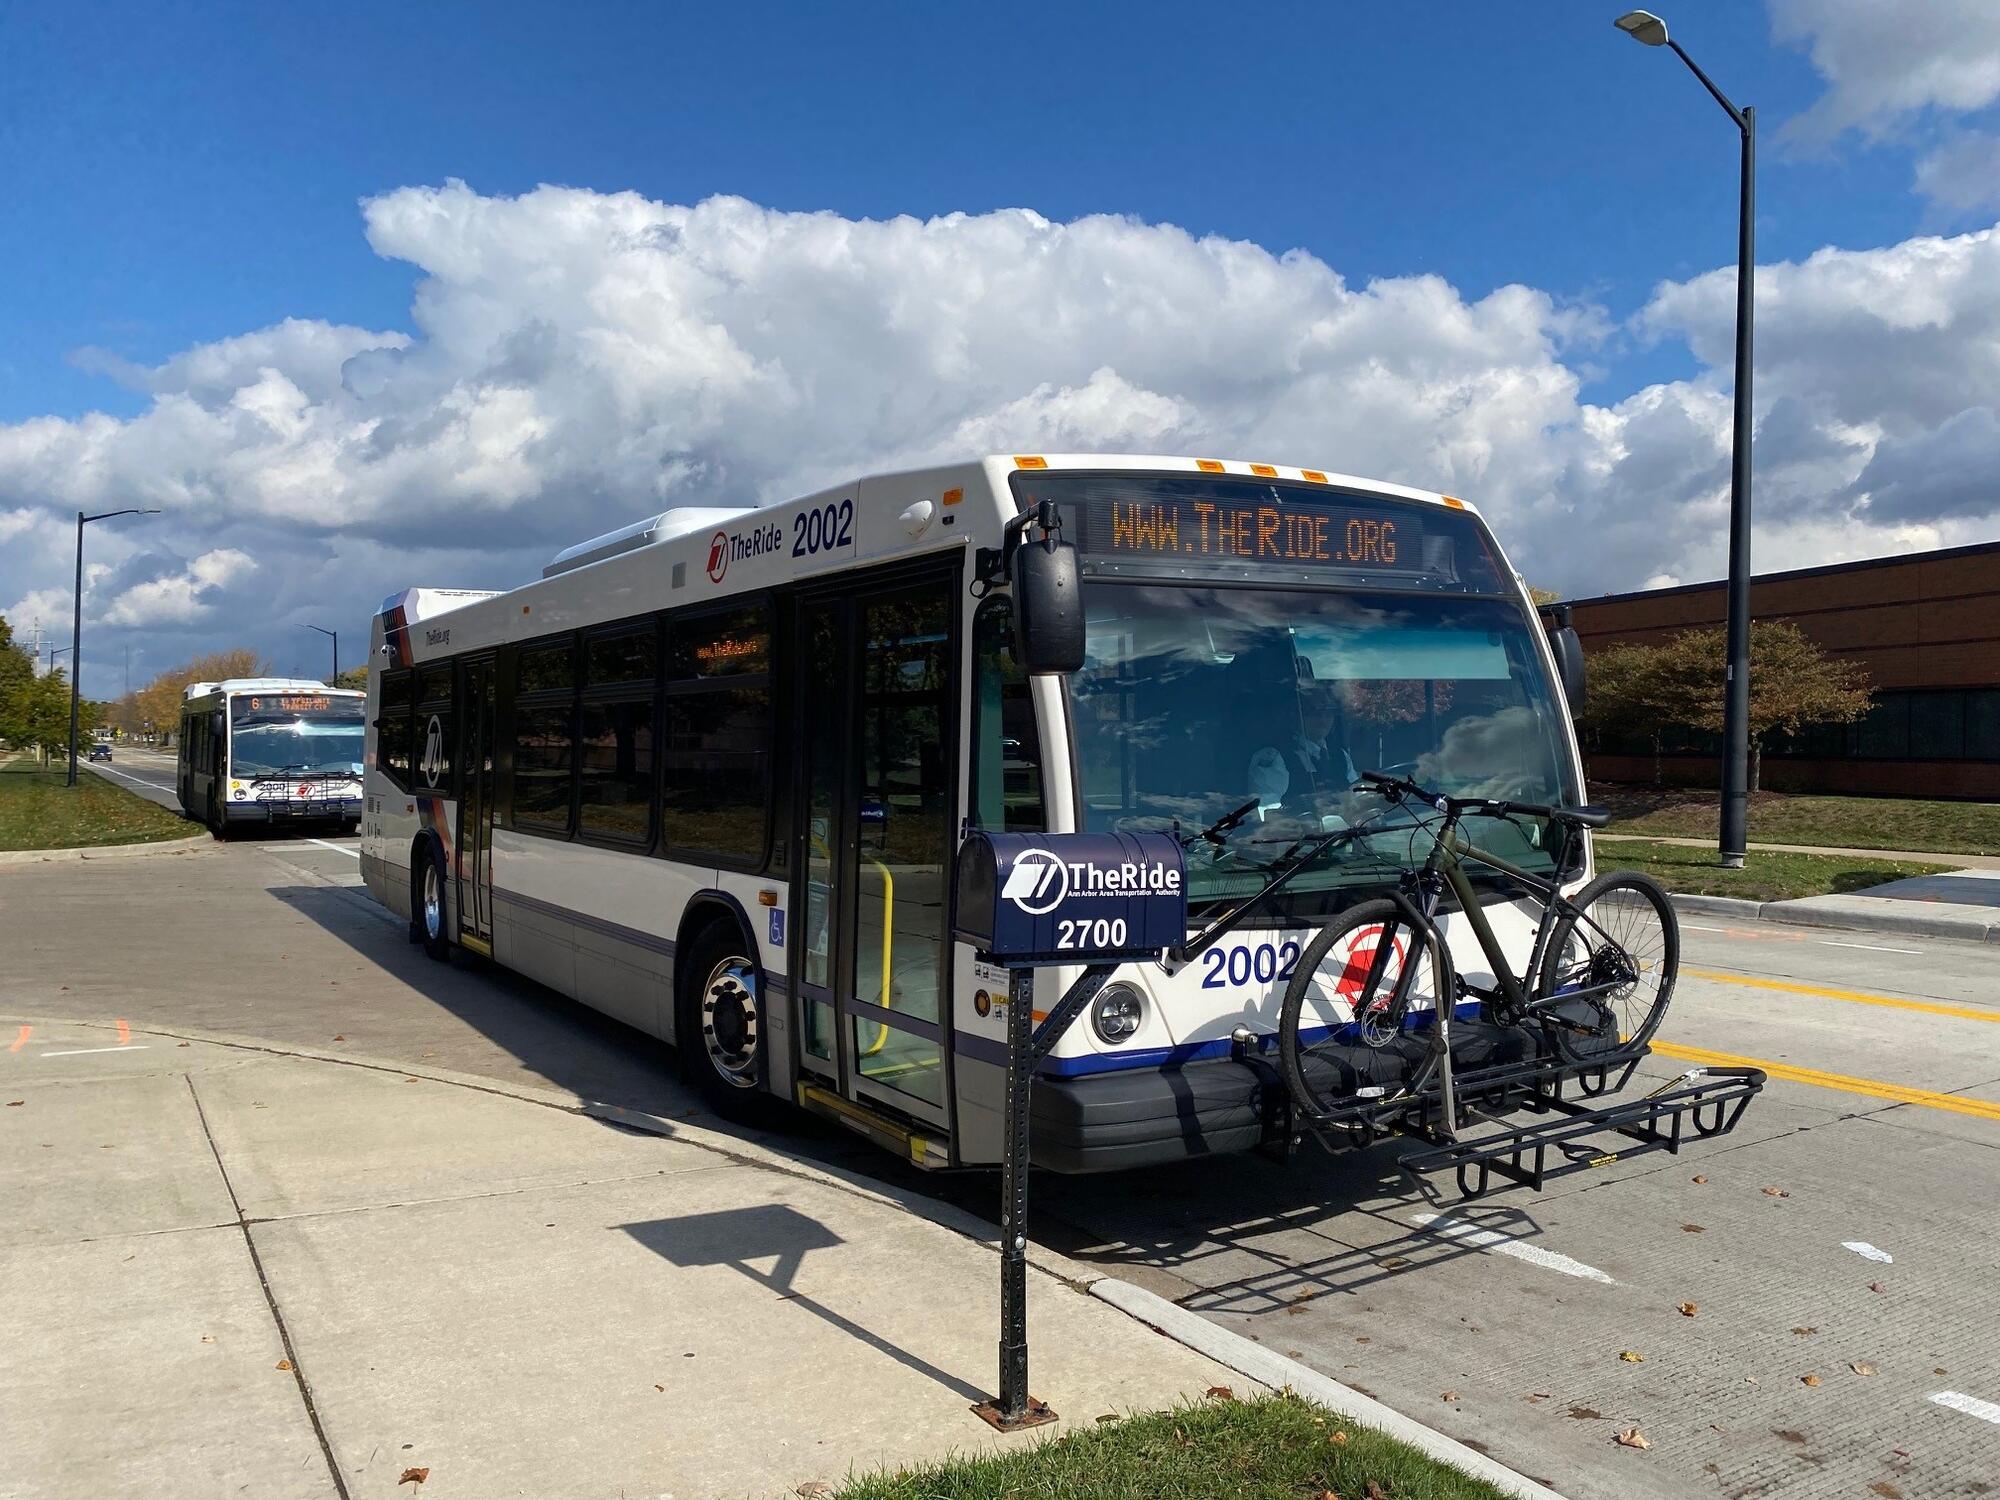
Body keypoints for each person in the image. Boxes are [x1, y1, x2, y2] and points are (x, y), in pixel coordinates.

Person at [1246, 682, 1357, 823]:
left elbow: (1356, 797)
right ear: (1296, 715)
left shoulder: (1341, 755)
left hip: (1347, 834)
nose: (1323, 719)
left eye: (1329, 712)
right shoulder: (1274, 757)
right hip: (1301, 841)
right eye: (1313, 713)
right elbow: (1268, 810)